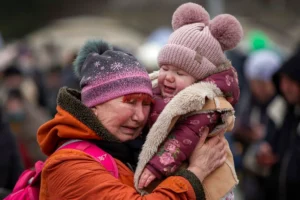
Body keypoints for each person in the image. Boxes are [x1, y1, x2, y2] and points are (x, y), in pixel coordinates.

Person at [36, 39, 227, 199]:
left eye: (146, 104)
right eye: (130, 102)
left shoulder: (131, 148)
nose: (140, 116)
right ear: (94, 105)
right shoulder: (69, 165)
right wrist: (196, 172)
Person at [134, 2, 243, 200]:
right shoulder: (160, 92)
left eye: (179, 73)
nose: (168, 77)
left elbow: (186, 135)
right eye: (165, 68)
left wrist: (156, 167)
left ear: (199, 79)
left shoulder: (205, 103)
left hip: (209, 185)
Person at [255, 47, 300, 200]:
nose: (285, 87)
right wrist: (262, 152)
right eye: (283, 80)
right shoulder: (279, 110)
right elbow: (266, 143)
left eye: (292, 82)